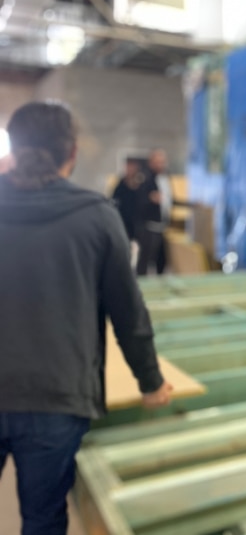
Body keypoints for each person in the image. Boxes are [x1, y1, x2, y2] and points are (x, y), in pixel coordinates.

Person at [0, 101, 173, 534]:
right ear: (72, 153)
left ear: (15, 148)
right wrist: (150, 381)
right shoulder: (96, 216)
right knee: (42, 519)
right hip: (57, 397)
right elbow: (128, 311)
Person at [135, 147, 172, 275]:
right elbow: (137, 201)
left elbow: (170, 200)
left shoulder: (166, 179)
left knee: (162, 262)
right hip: (149, 228)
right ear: (151, 163)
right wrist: (150, 198)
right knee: (145, 262)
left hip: (163, 227)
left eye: (162, 161)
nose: (160, 164)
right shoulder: (144, 180)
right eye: (157, 161)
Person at [111, 157, 144, 241]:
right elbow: (114, 200)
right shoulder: (120, 184)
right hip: (123, 220)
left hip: (137, 222)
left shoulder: (142, 184)